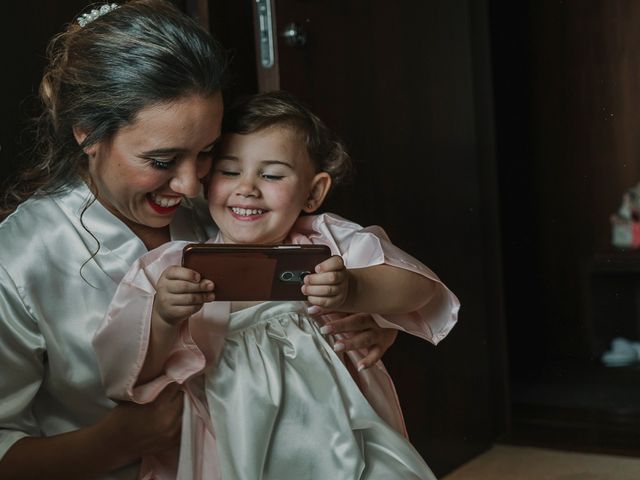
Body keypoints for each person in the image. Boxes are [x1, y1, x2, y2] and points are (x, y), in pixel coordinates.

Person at [0, 2, 449, 479]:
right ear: (87, 133)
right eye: (162, 160)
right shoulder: (18, 261)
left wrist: (365, 322)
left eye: (208, 152)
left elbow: (356, 288)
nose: (191, 186)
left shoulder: (232, 204)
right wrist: (114, 441)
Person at [94, 91, 459, 479]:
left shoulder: (325, 244)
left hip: (342, 443)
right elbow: (129, 372)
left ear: (314, 191)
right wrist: (165, 316)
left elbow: (420, 288)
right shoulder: (172, 269)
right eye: (230, 171)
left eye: (271, 175)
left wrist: (355, 288)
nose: (247, 188)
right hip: (228, 448)